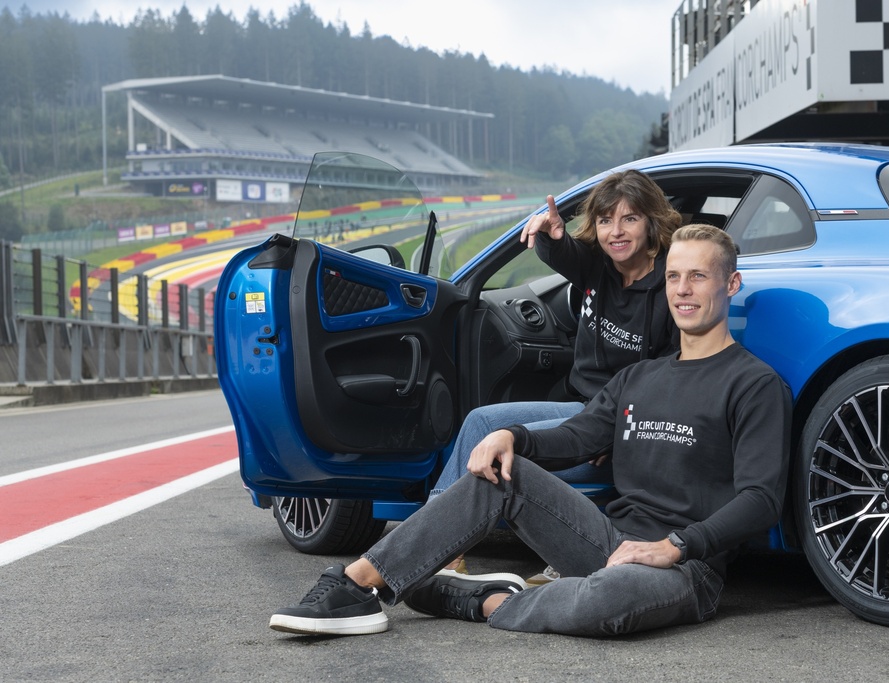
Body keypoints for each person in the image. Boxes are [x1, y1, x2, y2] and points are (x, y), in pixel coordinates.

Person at [269, 224, 792, 638]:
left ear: (730, 284)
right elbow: (578, 437)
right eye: (675, 276)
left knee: (605, 601)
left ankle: (477, 601)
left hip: (685, 568)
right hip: (606, 540)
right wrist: (513, 438)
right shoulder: (640, 377)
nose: (683, 290)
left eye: (698, 277)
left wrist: (676, 545)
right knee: (498, 471)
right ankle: (355, 587)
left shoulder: (754, 384)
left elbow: (760, 499)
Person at [428, 170, 682, 581]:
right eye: (604, 221)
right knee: (480, 422)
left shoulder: (671, 286)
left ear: (652, 221)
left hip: (622, 430)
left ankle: (445, 550)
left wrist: (617, 427)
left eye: (629, 219)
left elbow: (673, 375)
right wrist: (550, 234)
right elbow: (562, 253)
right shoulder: (600, 268)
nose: (615, 232)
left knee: (516, 452)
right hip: (581, 407)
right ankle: (443, 549)